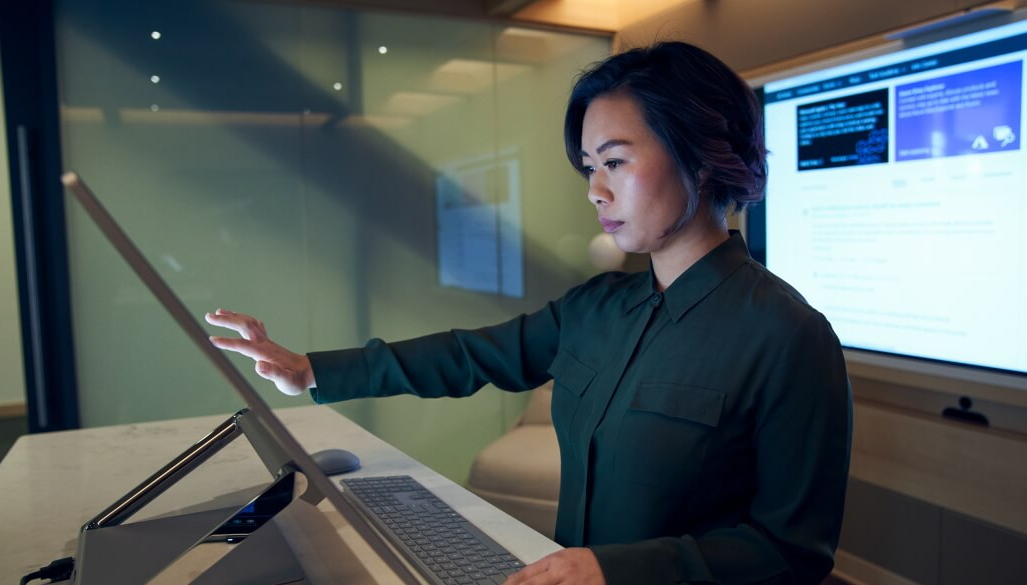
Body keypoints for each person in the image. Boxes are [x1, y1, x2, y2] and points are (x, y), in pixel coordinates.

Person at [207, 41, 852, 585]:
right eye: (590, 167)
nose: (596, 190)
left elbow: (791, 552)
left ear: (701, 154)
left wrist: (612, 571)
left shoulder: (789, 337)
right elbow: (466, 355)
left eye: (617, 162)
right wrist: (310, 370)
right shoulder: (597, 306)